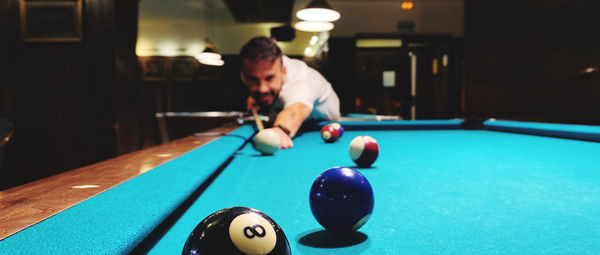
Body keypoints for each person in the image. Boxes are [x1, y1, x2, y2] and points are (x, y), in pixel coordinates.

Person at [240, 36, 340, 149]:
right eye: (254, 80)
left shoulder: (300, 80)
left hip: (323, 126)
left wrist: (280, 130)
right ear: (244, 75)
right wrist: (257, 98)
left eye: (269, 78)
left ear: (283, 71)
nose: (262, 88)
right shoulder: (249, 75)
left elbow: (296, 110)